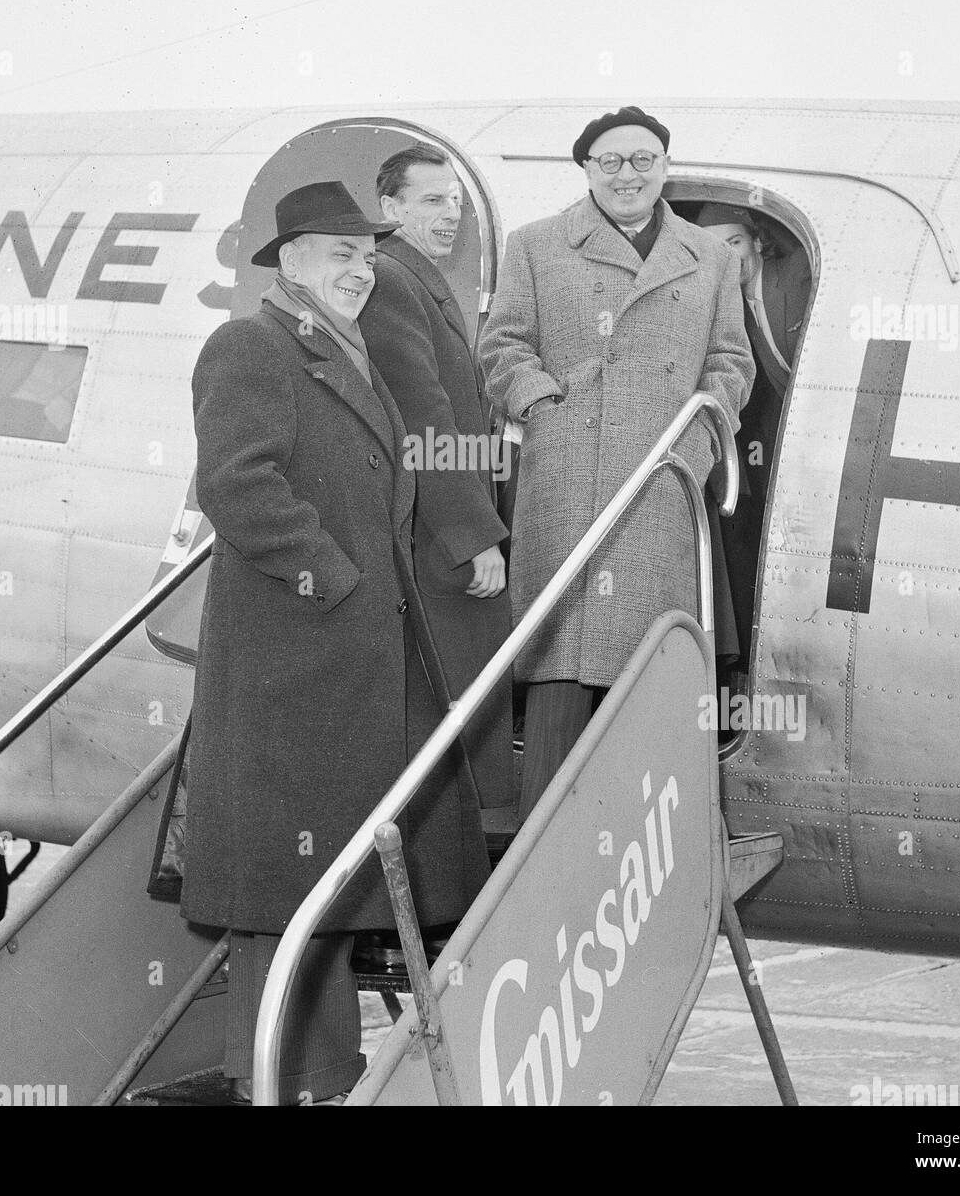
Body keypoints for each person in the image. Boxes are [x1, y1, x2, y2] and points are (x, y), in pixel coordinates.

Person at [180, 181, 489, 1104]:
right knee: (289, 888)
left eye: (368, 256)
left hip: (339, 656)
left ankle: (308, 1076)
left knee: (319, 882)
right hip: (296, 653)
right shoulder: (250, 346)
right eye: (341, 255)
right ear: (292, 262)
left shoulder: (338, 347)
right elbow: (236, 485)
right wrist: (335, 574)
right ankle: (289, 1079)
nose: (362, 271)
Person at [479, 106, 755, 819]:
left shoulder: (711, 257)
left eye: (642, 160)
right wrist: (546, 409)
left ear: (665, 167)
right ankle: (544, 869)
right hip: (570, 484)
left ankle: (644, 855)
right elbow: (502, 347)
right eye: (610, 162)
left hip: (662, 488)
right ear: (587, 171)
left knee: (650, 672)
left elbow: (731, 363)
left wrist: (694, 445)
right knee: (563, 675)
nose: (627, 175)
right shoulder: (537, 246)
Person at [357, 145, 514, 818]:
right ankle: (456, 853)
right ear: (391, 209)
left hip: (443, 526)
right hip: (438, 537)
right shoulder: (393, 278)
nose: (449, 213)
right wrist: (473, 533)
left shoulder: (419, 276)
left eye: (454, 200)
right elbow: (423, 414)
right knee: (455, 703)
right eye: (431, 200)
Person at [694, 203, 811, 658]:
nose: (728, 256)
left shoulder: (800, 273)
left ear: (758, 241)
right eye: (714, 248)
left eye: (735, 243)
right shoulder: (724, 305)